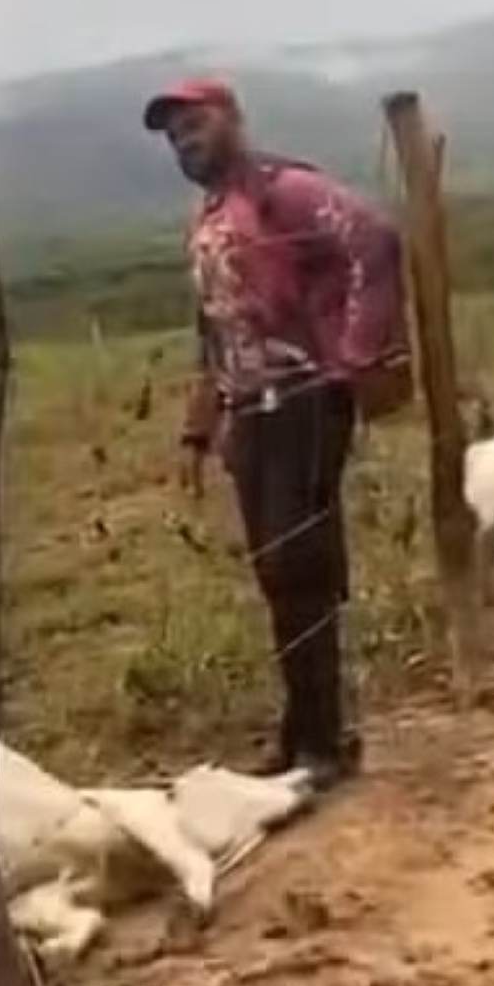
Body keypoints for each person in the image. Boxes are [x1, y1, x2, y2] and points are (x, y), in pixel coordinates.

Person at [143, 78, 409, 793]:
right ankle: (304, 734)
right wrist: (200, 427)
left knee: (302, 567)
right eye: (174, 137)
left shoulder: (284, 191)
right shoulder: (210, 213)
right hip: (249, 412)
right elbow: (214, 328)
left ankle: (324, 741)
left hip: (303, 400)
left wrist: (352, 360)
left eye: (195, 126)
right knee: (277, 575)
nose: (185, 143)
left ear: (231, 119)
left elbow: (375, 241)